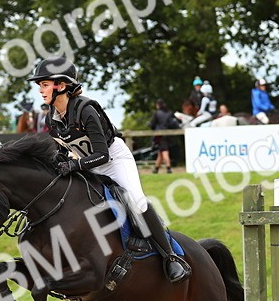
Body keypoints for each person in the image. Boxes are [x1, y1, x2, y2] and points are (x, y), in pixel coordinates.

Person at [30, 57, 190, 282]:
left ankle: (171, 258)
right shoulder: (53, 117)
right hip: (89, 164)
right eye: (40, 86)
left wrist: (74, 165)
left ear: (61, 85)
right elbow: (62, 151)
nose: (40, 90)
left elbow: (102, 154)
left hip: (114, 161)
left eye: (44, 84)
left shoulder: (86, 110)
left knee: (136, 201)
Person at [148, 98, 178, 174]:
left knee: (164, 151)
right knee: (160, 152)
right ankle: (156, 169)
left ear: (158, 105)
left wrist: (149, 124)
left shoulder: (157, 113)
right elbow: (172, 123)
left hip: (160, 135)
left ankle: (168, 168)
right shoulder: (169, 112)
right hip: (168, 134)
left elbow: (152, 124)